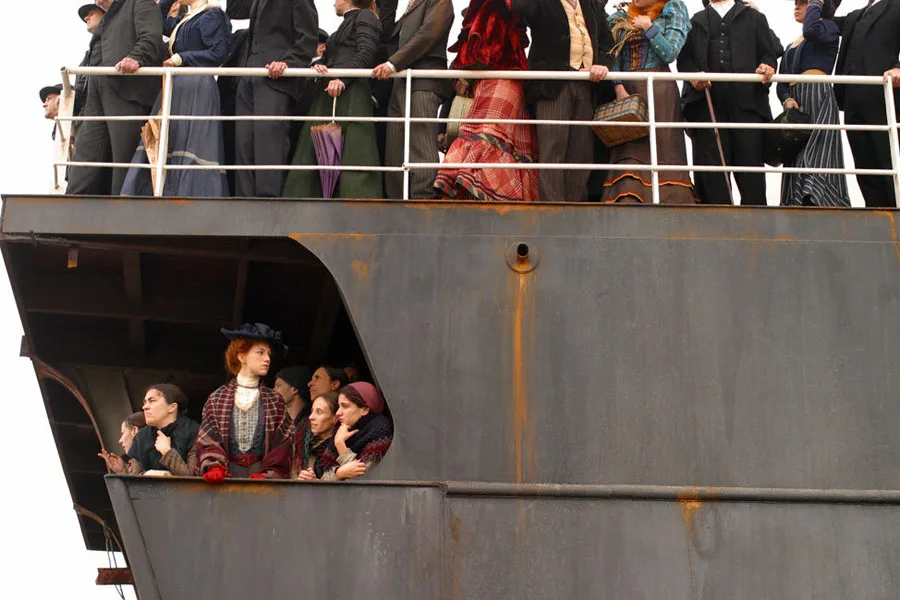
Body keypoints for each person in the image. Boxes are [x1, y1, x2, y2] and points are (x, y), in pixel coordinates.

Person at [120, 0, 233, 197]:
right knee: (171, 138)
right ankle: (164, 190)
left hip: (196, 85)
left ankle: (192, 193)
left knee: (192, 139)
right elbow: (157, 19)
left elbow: (219, 52)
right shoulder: (184, 20)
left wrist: (180, 58)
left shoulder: (212, 15)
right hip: (177, 84)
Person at [433, 0, 539, 202]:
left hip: (502, 83)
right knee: (487, 136)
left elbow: (480, 53)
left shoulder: (493, 11)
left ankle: (480, 195)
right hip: (496, 82)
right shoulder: (496, 11)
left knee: (488, 135)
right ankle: (482, 196)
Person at [511, 0, 615, 202]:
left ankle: (576, 209)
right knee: (553, 149)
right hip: (552, 86)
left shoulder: (592, 4)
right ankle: (552, 209)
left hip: (587, 85)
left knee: (582, 152)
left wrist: (602, 65)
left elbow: (607, 45)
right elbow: (520, 7)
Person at [677, 0, 778, 205]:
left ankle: (756, 219)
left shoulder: (755, 18)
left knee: (751, 168)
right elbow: (684, 60)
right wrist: (694, 75)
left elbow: (769, 53)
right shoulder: (695, 22)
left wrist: (766, 66)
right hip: (708, 105)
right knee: (713, 174)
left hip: (747, 104)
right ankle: (716, 220)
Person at [283, 0, 384, 199]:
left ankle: (355, 197)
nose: (333, 2)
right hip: (331, 92)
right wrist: (319, 65)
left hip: (351, 92)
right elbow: (332, 56)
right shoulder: (345, 25)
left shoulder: (365, 16)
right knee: (317, 146)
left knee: (355, 148)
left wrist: (342, 80)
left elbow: (366, 53)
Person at [601, 0, 695, 204]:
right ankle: (627, 200)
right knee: (629, 147)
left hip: (659, 90)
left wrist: (649, 27)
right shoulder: (621, 17)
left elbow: (670, 53)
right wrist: (618, 85)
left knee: (664, 146)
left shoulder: (673, 9)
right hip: (627, 90)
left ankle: (669, 200)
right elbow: (612, 54)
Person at [67, 0, 165, 196]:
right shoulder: (108, 17)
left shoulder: (140, 2)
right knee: (86, 152)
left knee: (123, 157)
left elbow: (151, 36)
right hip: (96, 90)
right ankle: (72, 203)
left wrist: (136, 57)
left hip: (126, 88)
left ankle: (122, 206)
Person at [225, 0, 319, 198]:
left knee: (268, 143)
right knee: (243, 144)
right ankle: (244, 201)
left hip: (276, 78)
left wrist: (288, 63)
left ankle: (268, 201)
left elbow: (308, 38)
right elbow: (233, 9)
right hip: (247, 75)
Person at [374, 0, 455, 200]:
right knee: (395, 149)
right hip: (400, 82)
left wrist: (393, 63)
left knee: (421, 145)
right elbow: (388, 36)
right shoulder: (409, 6)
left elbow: (429, 33)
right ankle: (396, 201)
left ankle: (423, 200)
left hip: (422, 81)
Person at [196, 323, 295, 482]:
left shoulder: (275, 401)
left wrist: (269, 474)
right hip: (225, 476)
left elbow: (283, 443)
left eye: (269, 354)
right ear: (241, 356)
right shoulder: (217, 398)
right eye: (260, 352)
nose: (267, 359)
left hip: (262, 475)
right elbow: (208, 438)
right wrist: (214, 466)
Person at [777, 0, 850, 207]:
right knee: (797, 149)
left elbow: (811, 30)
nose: (796, 7)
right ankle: (796, 199)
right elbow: (781, 82)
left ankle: (816, 196)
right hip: (797, 99)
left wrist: (816, 2)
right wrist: (786, 99)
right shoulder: (791, 45)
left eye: (803, 3)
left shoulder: (828, 27)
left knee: (817, 149)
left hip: (817, 94)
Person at [833, 0, 900, 208]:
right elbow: (821, 22)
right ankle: (878, 215)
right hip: (852, 99)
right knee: (864, 166)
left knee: (888, 160)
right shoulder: (855, 16)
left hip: (883, 96)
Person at [99, 386, 200, 476]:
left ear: (172, 407)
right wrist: (123, 472)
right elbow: (136, 480)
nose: (144, 407)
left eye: (152, 401)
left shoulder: (194, 431)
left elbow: (192, 477)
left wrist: (167, 452)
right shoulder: (142, 436)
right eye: (145, 402)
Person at [320, 382, 393, 480]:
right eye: (339, 406)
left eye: (345, 406)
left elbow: (361, 478)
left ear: (364, 409)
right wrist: (337, 474)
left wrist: (340, 445)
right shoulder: (340, 429)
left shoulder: (379, 431)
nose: (338, 413)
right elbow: (324, 477)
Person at [274, 364, 313, 476]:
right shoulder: (275, 421)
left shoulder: (310, 423)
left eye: (278, 385)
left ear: (294, 389)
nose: (274, 390)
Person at [73, 3, 106, 136]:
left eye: (91, 13)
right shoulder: (88, 56)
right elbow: (81, 84)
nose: (86, 18)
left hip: (108, 103)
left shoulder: (116, 39)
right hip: (90, 107)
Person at [297, 391, 340, 479]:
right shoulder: (305, 444)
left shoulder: (340, 448)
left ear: (335, 418)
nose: (311, 417)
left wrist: (314, 482)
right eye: (312, 411)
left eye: (319, 412)